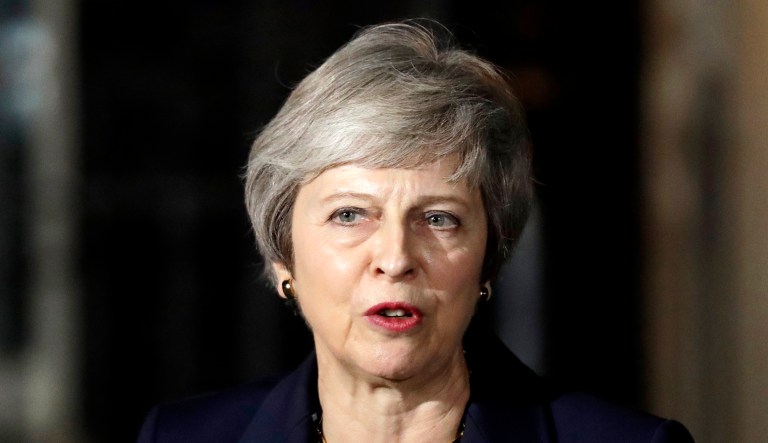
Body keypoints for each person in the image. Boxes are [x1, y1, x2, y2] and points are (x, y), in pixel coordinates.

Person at [138, 20, 694, 443]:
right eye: (350, 215)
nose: (396, 258)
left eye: (438, 218)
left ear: (488, 257)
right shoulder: (180, 436)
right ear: (283, 255)